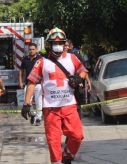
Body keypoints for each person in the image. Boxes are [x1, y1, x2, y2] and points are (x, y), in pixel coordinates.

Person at [22, 28, 91, 164]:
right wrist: (26, 104)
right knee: (53, 141)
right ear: (49, 44)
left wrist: (78, 78)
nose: (57, 45)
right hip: (51, 109)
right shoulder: (41, 62)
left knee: (77, 136)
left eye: (60, 42)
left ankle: (67, 156)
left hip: (69, 105)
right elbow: (31, 82)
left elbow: (83, 71)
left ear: (65, 43)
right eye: (54, 43)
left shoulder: (72, 58)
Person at [19, 43, 43, 125]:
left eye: (33, 49)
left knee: (38, 100)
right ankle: (32, 114)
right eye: (30, 49)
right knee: (27, 101)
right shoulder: (25, 59)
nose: (31, 51)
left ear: (36, 50)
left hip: (38, 83)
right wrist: (20, 81)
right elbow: (21, 70)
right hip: (28, 84)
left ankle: (39, 118)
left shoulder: (40, 59)